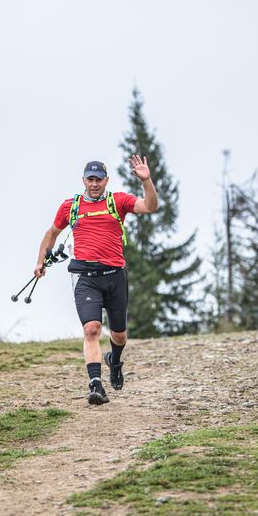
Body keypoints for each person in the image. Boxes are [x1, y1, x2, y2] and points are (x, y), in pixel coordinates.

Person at [34, 155, 158, 405]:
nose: (94, 184)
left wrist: (146, 181)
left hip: (115, 276)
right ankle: (96, 384)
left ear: (106, 180)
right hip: (85, 277)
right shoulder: (71, 206)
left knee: (119, 335)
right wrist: (40, 262)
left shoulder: (118, 201)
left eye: (98, 179)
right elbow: (52, 233)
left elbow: (150, 207)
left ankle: (114, 360)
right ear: (83, 180)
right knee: (91, 329)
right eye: (90, 179)